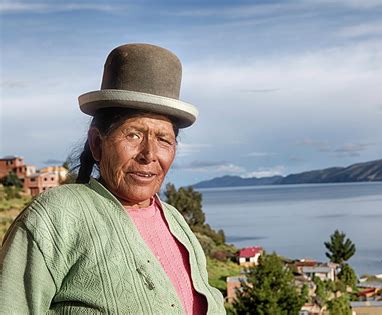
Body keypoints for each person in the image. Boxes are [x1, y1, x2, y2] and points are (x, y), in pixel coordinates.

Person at [0, 44, 225, 314]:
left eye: (164, 139)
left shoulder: (176, 221)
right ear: (97, 143)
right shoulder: (54, 217)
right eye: (133, 135)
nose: (149, 155)